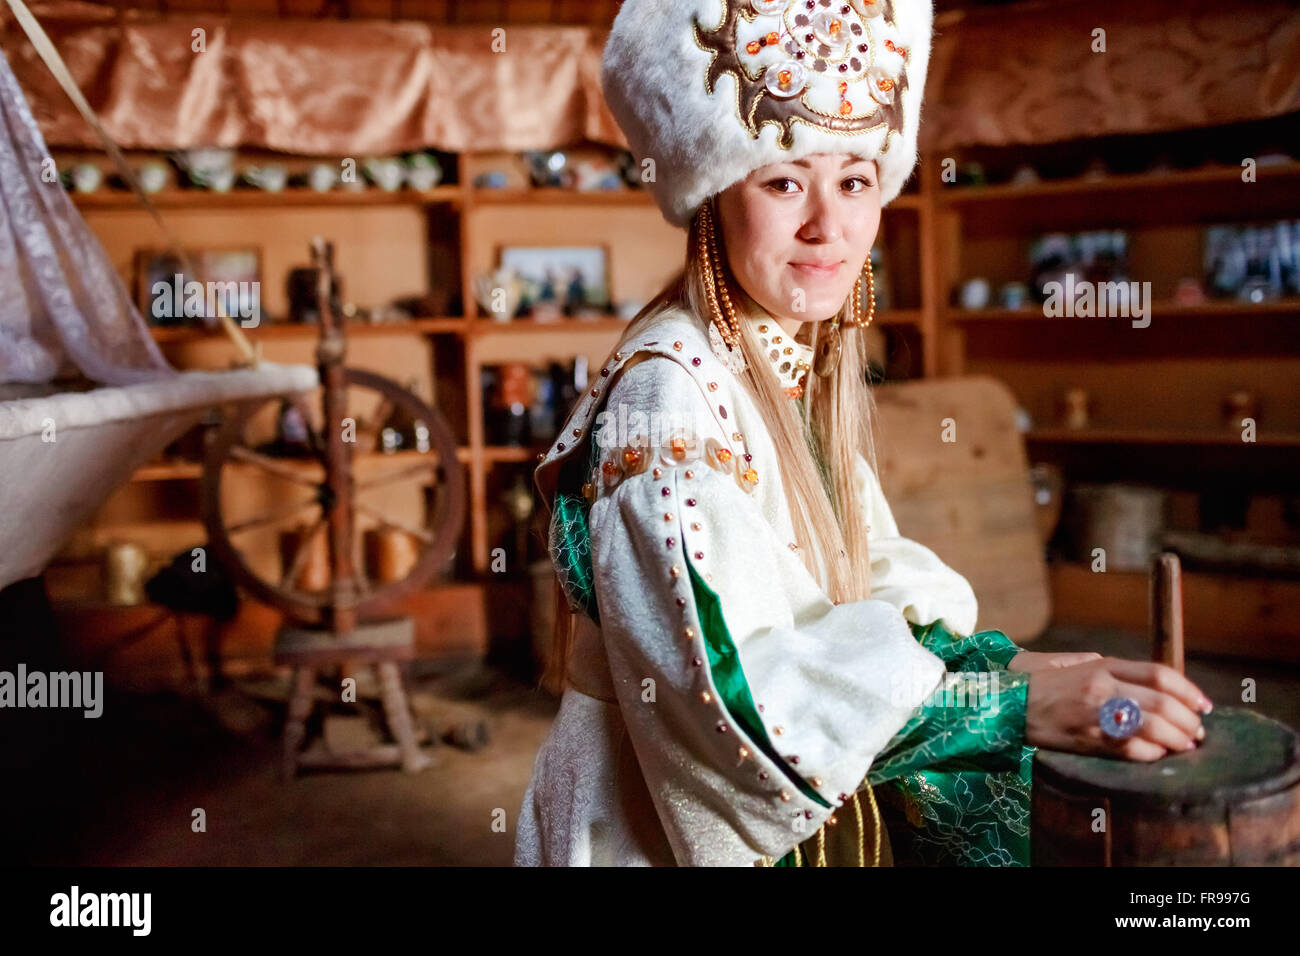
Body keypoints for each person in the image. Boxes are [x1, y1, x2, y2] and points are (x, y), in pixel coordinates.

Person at [514, 0, 1212, 867]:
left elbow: (864, 577)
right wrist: (1003, 707)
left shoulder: (781, 358)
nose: (828, 227)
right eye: (782, 182)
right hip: (645, 825)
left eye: (854, 181)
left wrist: (1007, 666)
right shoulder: (668, 399)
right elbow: (728, 696)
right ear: (710, 201)